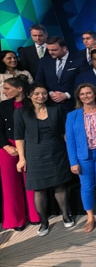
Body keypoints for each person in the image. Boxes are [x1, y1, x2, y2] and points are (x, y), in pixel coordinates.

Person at [14, 83, 74, 237]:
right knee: (39, 189)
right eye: (37, 94)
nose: (41, 96)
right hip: (34, 155)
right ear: (29, 95)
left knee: (60, 186)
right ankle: (43, 222)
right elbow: (19, 137)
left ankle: (66, 215)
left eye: (44, 93)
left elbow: (64, 132)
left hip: (57, 152)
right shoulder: (21, 113)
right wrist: (22, 158)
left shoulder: (56, 110)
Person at [65, 83, 96, 232]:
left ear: (94, 94)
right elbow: (70, 140)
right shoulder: (72, 116)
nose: (86, 96)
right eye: (82, 94)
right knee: (87, 187)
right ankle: (90, 217)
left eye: (89, 93)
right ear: (79, 96)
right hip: (84, 156)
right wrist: (73, 162)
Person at [0, 76, 39, 231]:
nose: (4, 91)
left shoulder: (32, 104)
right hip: (7, 147)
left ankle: (36, 216)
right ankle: (16, 220)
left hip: (29, 145)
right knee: (9, 184)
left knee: (30, 181)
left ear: (20, 89)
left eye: (7, 88)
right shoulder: (2, 106)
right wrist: (5, 146)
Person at [35, 36, 83, 112]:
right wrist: (50, 93)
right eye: (49, 50)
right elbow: (39, 81)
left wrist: (67, 95)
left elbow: (83, 82)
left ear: (64, 48)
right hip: (51, 105)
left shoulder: (78, 60)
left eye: (54, 50)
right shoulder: (44, 61)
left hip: (73, 104)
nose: (50, 52)